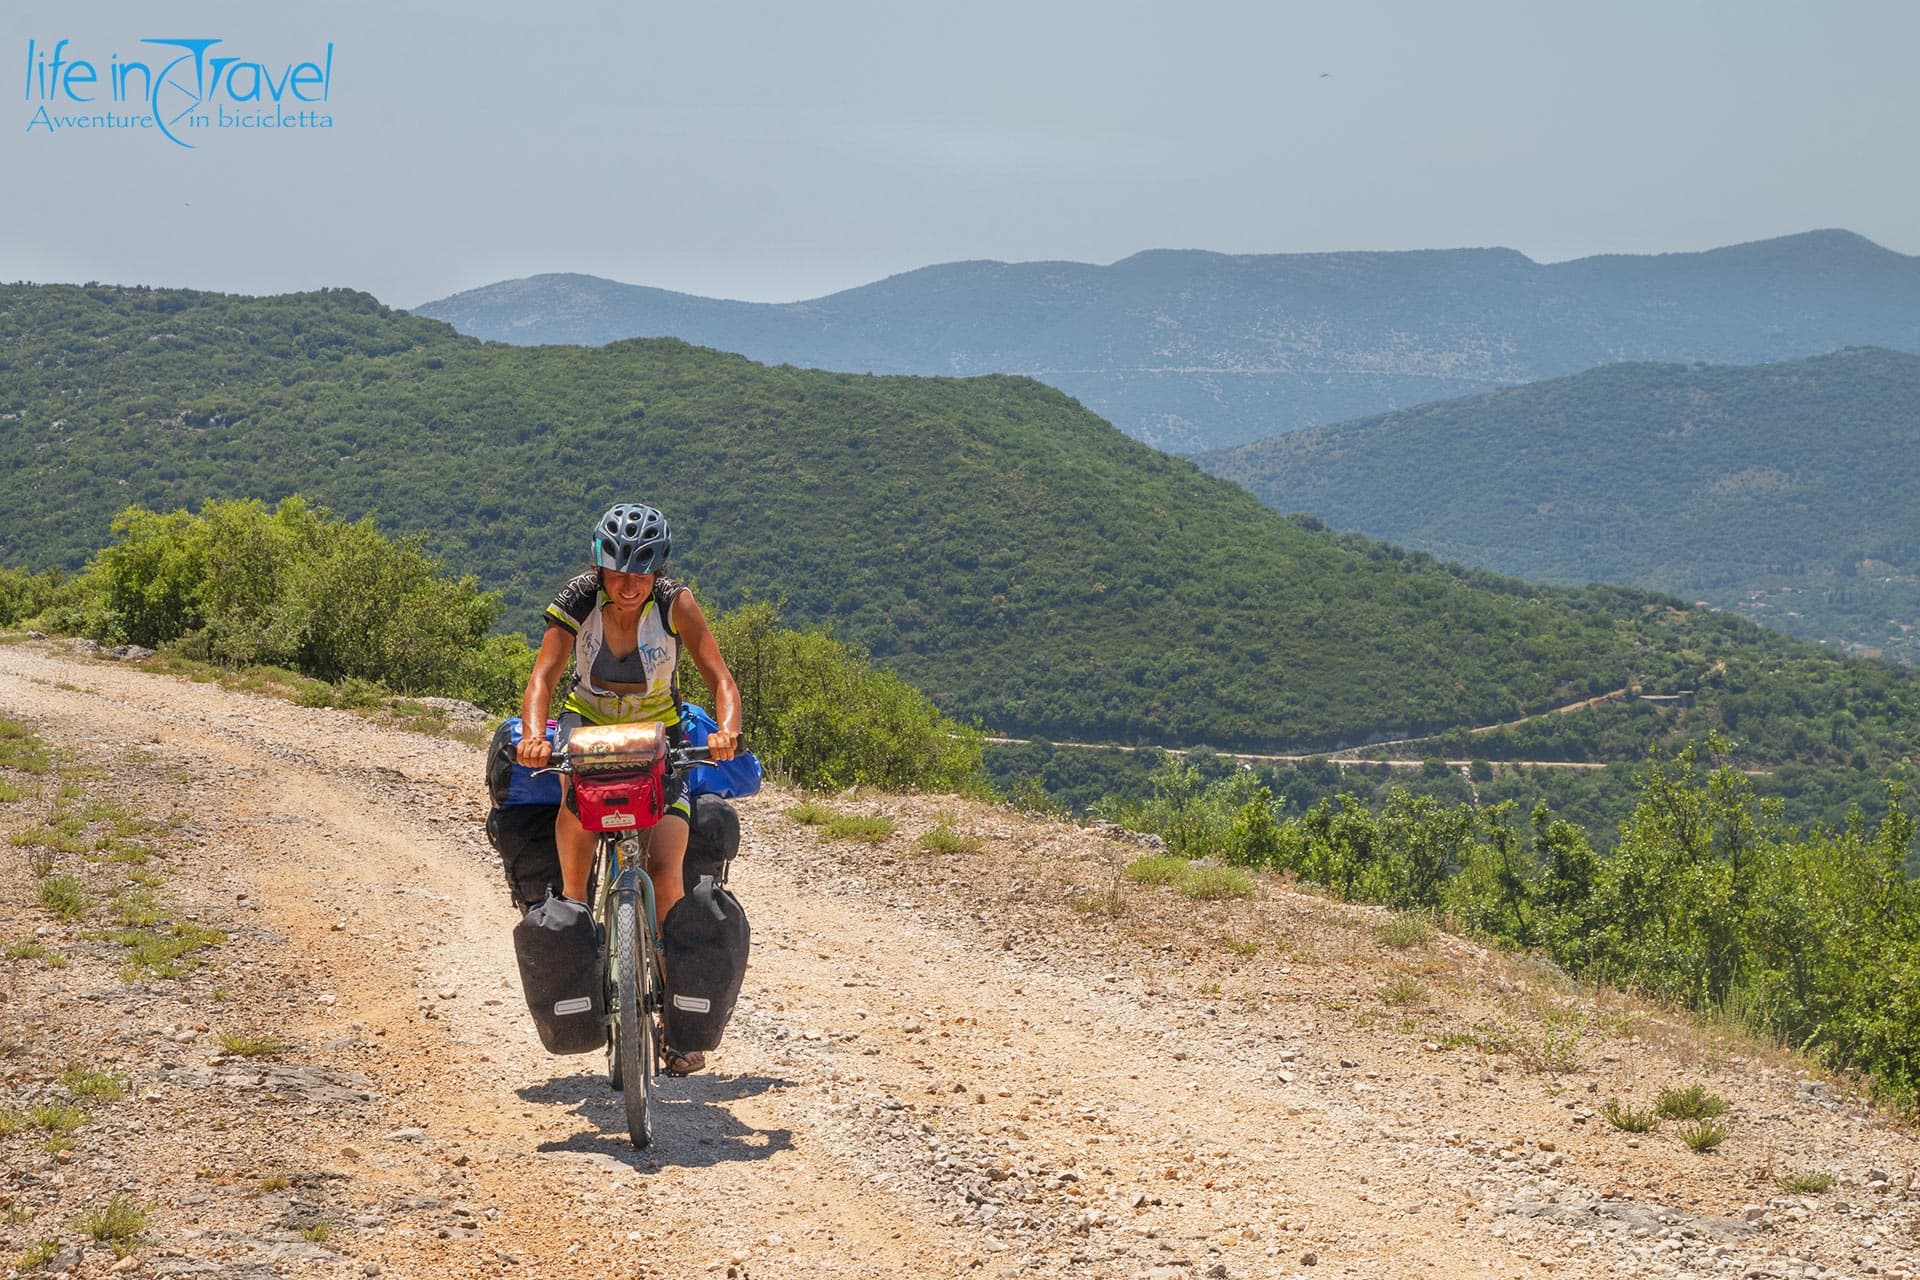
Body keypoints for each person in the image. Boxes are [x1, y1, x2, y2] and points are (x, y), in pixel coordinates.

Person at [515, 502, 742, 1074]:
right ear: (599, 564)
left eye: (641, 572)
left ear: (658, 569)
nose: (628, 584)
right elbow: (543, 675)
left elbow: (719, 677)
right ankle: (580, 966)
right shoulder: (576, 599)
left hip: (656, 735)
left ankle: (676, 1019)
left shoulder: (674, 603)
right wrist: (536, 737)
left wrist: (728, 731)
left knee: (667, 873)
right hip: (585, 728)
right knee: (573, 871)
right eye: (616, 570)